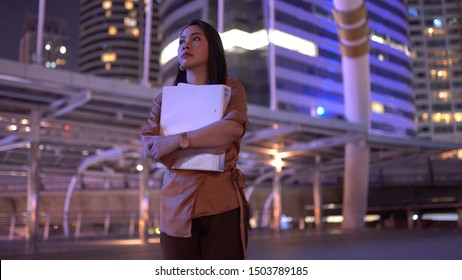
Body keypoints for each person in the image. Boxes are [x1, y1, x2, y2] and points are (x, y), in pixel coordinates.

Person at [141, 19, 249, 260]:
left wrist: (177, 141)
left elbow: (231, 129)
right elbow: (151, 146)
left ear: (214, 47)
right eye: (181, 41)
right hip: (174, 209)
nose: (185, 45)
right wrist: (210, 139)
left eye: (195, 38)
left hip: (222, 205)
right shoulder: (164, 99)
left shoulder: (231, 89)